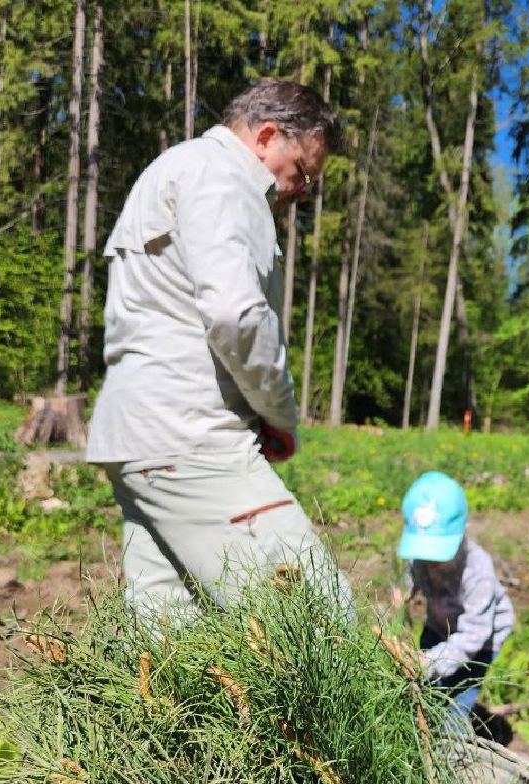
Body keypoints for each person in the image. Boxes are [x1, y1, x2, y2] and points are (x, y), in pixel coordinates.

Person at [85, 81, 342, 613]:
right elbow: (235, 314)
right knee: (318, 622)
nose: (303, 191)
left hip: (138, 438)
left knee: (172, 638)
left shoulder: (175, 168)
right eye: (303, 172)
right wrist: (281, 414)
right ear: (268, 137)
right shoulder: (228, 179)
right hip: (193, 439)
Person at [395, 472, 515, 733]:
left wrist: (430, 662)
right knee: (425, 691)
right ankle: (424, 731)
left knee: (456, 700)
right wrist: (403, 592)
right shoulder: (421, 558)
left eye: (437, 553)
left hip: (479, 640)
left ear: (461, 534)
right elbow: (410, 572)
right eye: (424, 552)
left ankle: (454, 751)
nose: (430, 562)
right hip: (440, 625)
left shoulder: (478, 571)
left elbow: (474, 634)